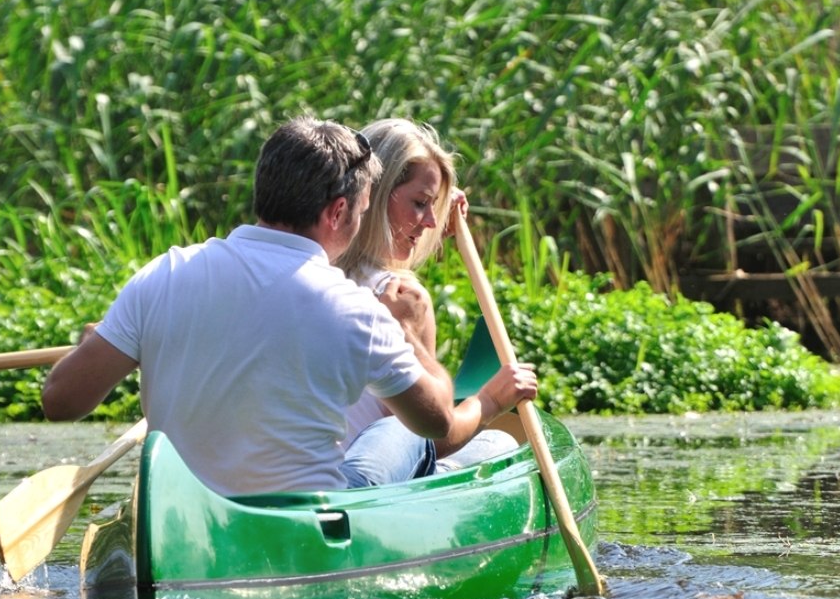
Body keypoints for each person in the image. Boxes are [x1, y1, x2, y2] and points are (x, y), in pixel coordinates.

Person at [41, 116, 457, 496]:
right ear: (338, 211)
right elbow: (435, 421)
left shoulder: (164, 274)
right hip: (298, 532)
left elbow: (60, 401)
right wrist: (407, 334)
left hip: (182, 519)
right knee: (409, 434)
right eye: (363, 212)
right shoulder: (359, 309)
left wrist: (94, 347)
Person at [334, 118, 534, 474]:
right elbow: (429, 435)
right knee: (501, 443)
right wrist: (490, 400)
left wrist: (433, 205)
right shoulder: (405, 299)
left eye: (434, 208)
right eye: (419, 204)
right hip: (371, 483)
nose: (429, 222)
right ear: (376, 195)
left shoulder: (317, 272)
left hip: (308, 473)